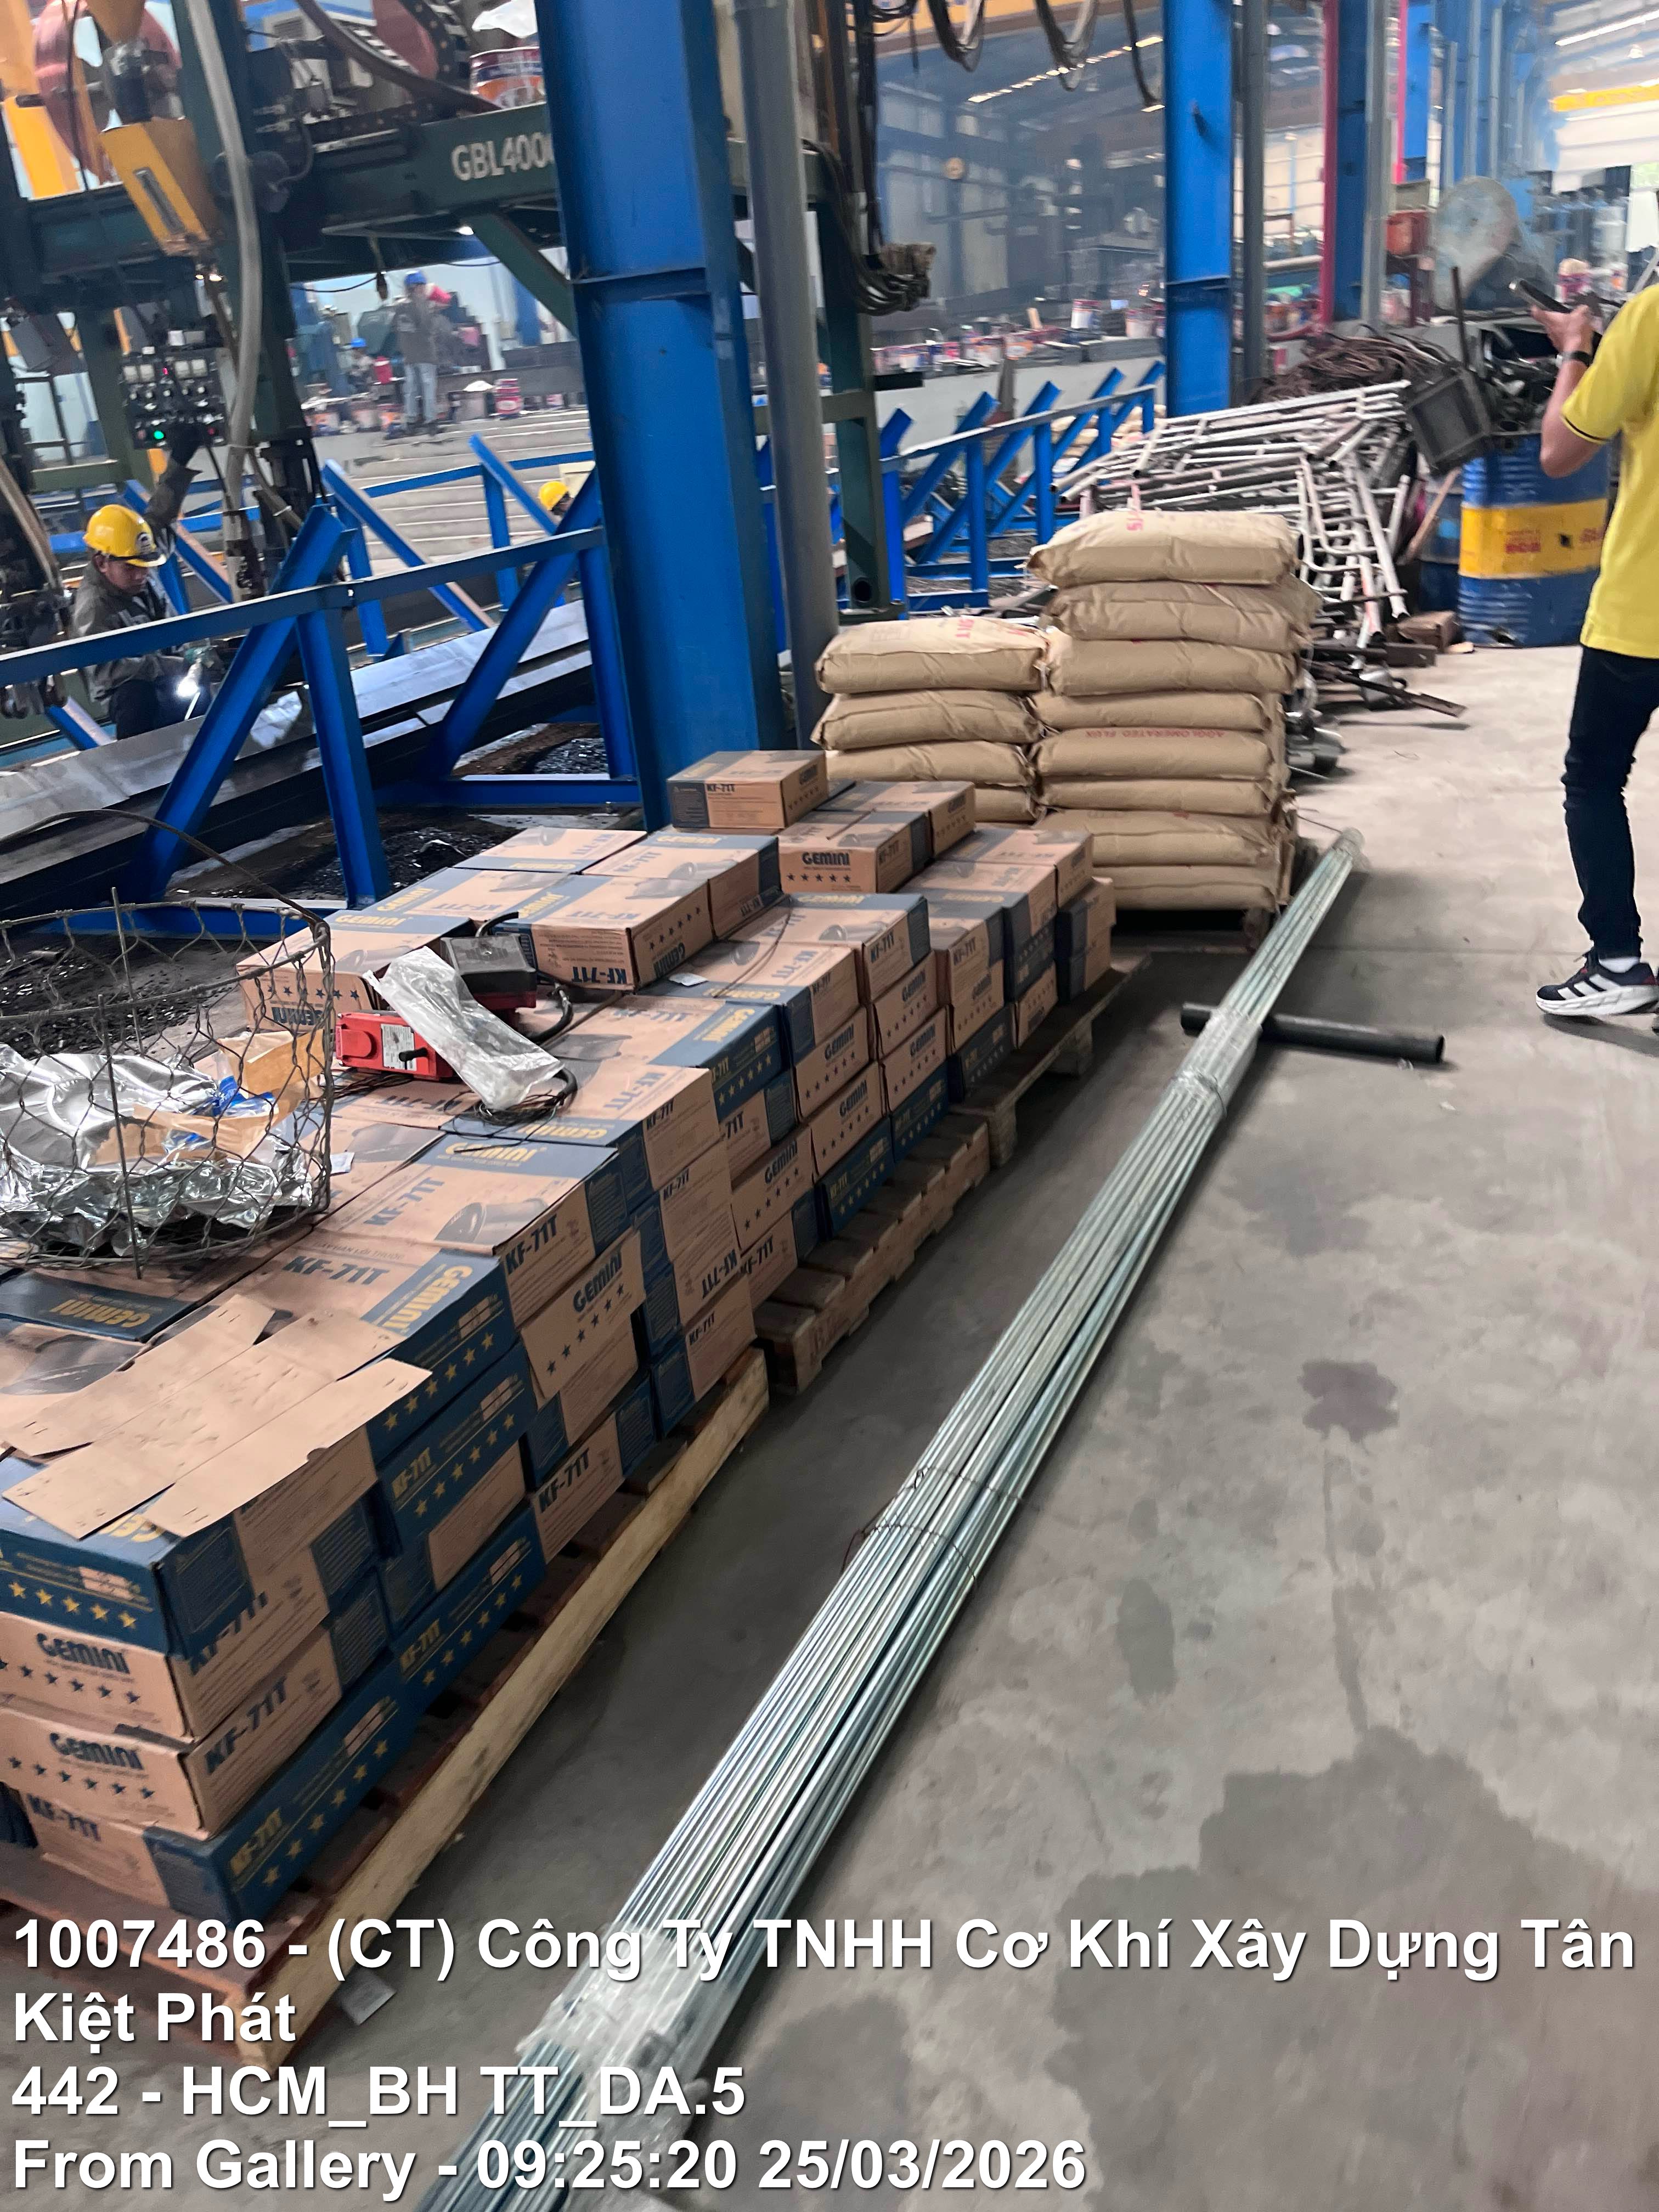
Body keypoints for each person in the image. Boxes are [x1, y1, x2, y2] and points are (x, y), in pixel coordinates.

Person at [1531, 285, 1659, 1017]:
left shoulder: (1652, 317)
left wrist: (1576, 351)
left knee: (1595, 780)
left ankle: (1617, 963)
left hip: (1644, 613)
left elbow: (1559, 451)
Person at [68, 431, 213, 740]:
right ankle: (138, 765)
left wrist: (179, 462)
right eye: (131, 568)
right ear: (102, 562)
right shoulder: (93, 609)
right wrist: (172, 666)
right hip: (130, 692)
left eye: (145, 565)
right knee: (137, 698)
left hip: (170, 672)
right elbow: (109, 671)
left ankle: (206, 749)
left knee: (201, 685)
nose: (141, 575)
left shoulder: (134, 555)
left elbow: (161, 516)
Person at [393, 272, 443, 432]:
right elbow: (428, 329)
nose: (423, 289)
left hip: (409, 356)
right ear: (416, 287)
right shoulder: (422, 304)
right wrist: (434, 312)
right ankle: (431, 421)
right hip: (425, 354)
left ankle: (411, 421)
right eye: (422, 286)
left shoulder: (399, 306)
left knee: (411, 389)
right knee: (428, 388)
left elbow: (394, 328)